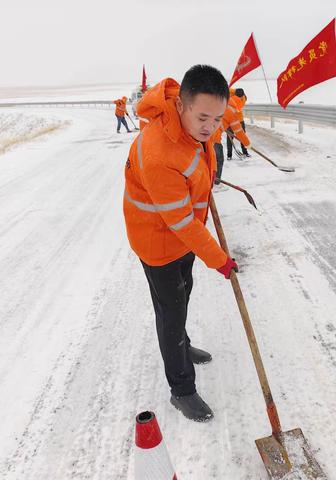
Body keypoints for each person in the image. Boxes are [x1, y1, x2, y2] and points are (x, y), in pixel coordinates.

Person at [123, 65, 238, 422]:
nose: (210, 126)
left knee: (184, 291)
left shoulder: (192, 125)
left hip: (182, 239)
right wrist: (219, 259)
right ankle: (182, 389)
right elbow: (181, 221)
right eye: (203, 117)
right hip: (158, 242)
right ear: (182, 105)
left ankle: (183, 347)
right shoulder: (159, 153)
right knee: (170, 312)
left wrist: (208, 178)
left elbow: (201, 152)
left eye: (217, 119)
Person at [211, 100, 251, 185]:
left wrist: (223, 127)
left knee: (206, 160)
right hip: (213, 139)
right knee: (219, 160)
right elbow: (239, 131)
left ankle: (207, 179)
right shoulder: (232, 112)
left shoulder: (216, 103)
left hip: (200, 136)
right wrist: (247, 144)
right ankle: (216, 180)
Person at [226, 87, 250, 159]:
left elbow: (227, 90)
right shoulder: (244, 98)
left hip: (231, 120)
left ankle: (229, 155)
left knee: (230, 138)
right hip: (240, 120)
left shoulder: (231, 98)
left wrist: (233, 90)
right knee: (242, 136)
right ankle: (245, 152)